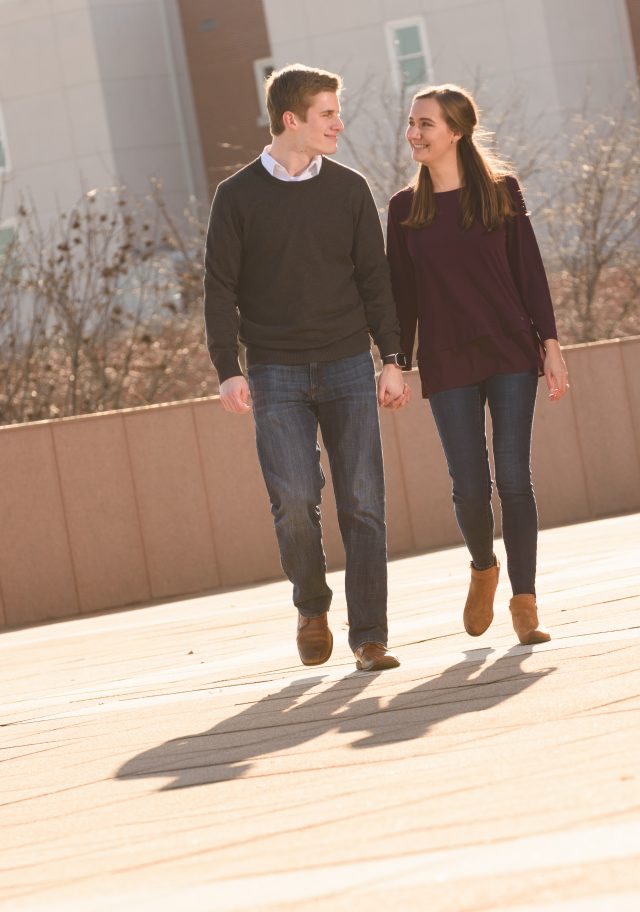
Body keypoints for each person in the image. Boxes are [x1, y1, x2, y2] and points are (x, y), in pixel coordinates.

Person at [204, 64, 409, 671]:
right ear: (291, 119)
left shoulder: (349, 189)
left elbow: (376, 280)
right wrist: (227, 366)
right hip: (274, 370)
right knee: (294, 500)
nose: (338, 123)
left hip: (348, 362)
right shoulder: (236, 196)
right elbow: (220, 289)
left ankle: (370, 637)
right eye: (327, 113)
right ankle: (312, 605)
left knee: (364, 502)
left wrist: (393, 359)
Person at [387, 83, 569, 645]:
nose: (414, 133)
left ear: (457, 132)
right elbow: (399, 296)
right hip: (445, 357)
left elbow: (529, 272)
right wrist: (394, 361)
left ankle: (525, 601)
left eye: (426, 125)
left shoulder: (500, 192)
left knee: (514, 479)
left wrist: (552, 344)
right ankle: (483, 567)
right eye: (412, 123)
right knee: (469, 485)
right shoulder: (403, 209)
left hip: (511, 350)